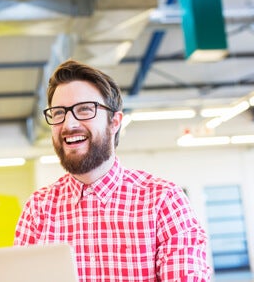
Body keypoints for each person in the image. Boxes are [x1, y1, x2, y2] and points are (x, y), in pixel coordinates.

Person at [14, 59, 211, 281]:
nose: (69, 125)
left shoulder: (164, 202)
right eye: (59, 113)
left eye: (85, 109)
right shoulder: (37, 210)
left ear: (115, 122)